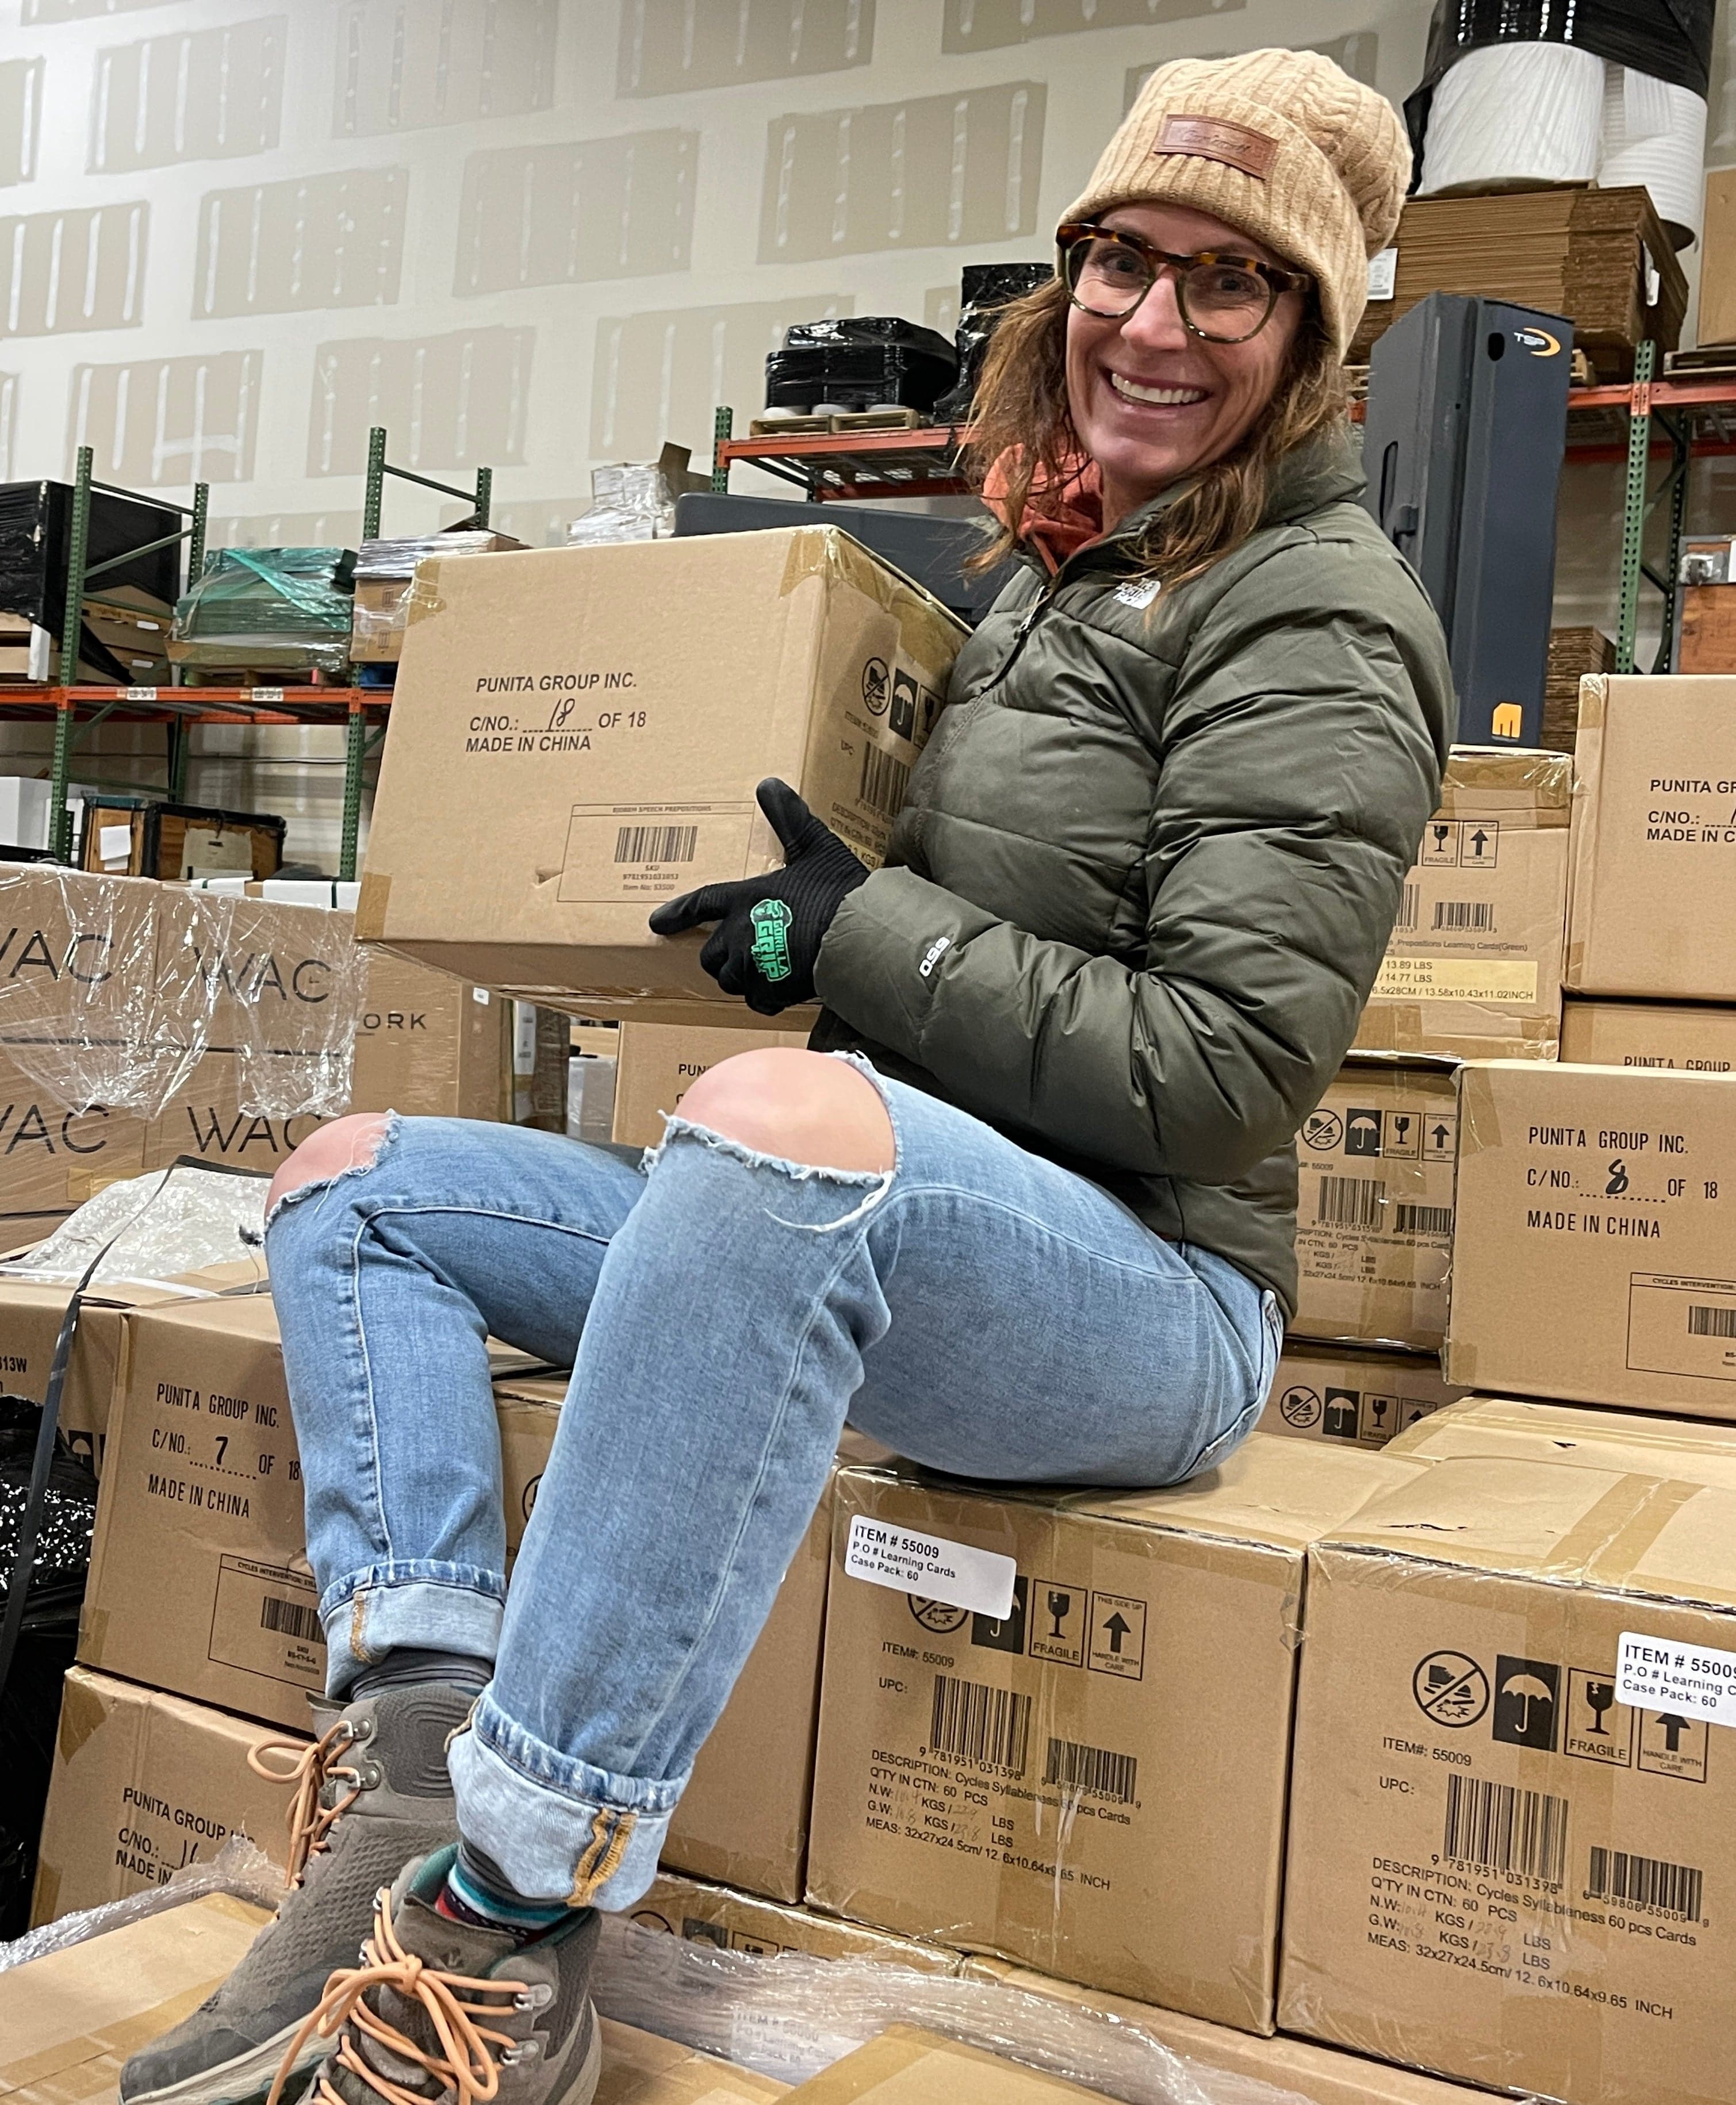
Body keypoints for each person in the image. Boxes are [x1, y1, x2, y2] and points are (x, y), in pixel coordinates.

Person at [124, 46, 1451, 2105]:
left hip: (1153, 1308)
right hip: (914, 1216)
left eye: (1231, 284)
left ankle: (513, 1907)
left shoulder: (1312, 614)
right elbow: (957, 955)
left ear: (1312, 346)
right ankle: (407, 1761)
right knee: (350, 1174)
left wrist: (868, 945)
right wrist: (802, 930)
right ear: (1064, 278)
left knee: (760, 1142)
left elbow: (1220, 1075)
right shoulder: (1073, 572)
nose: (1155, 325)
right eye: (1123, 262)